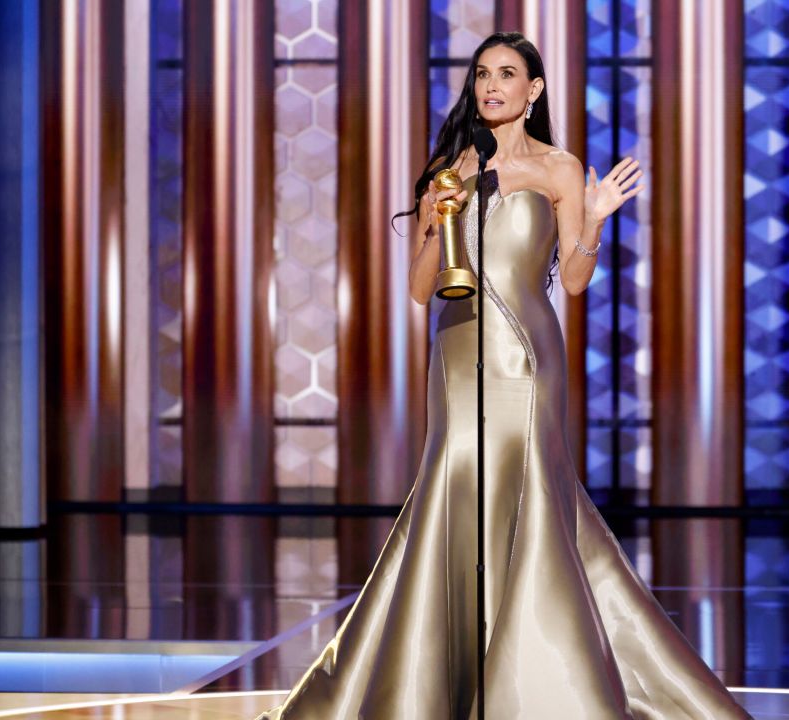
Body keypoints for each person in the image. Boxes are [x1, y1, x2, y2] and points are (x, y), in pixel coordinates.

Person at [256, 32, 750, 720]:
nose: (492, 86)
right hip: (457, 355)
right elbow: (420, 290)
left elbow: (573, 283)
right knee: (453, 486)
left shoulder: (559, 168)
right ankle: (440, 678)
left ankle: (535, 681)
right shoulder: (449, 170)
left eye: (507, 74)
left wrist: (594, 220)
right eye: (483, 74)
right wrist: (437, 216)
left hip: (528, 357)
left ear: (534, 90)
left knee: (530, 494)